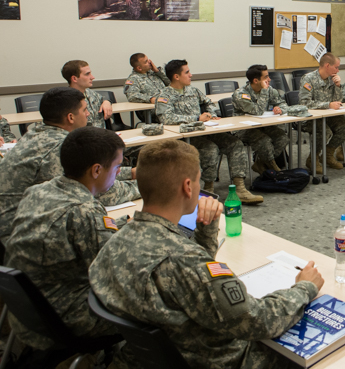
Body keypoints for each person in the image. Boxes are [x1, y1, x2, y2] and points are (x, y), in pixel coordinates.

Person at [89, 139, 324, 369]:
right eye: (200, 180)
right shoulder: (185, 260)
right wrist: (304, 288)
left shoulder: (114, 241)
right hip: (214, 359)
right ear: (188, 187)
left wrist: (207, 228)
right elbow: (259, 321)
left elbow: (187, 275)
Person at [5, 127, 129, 350]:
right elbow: (116, 274)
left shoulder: (39, 191)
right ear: (97, 170)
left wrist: (121, 228)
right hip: (64, 320)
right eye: (117, 166)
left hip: (26, 313)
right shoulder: (84, 210)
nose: (118, 173)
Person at [0, 87, 139, 245]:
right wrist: (147, 185)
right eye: (85, 109)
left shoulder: (37, 135)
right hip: (19, 238)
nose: (88, 114)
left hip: (31, 225)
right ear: (71, 117)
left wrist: (132, 173)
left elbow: (90, 172)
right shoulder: (58, 147)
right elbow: (103, 194)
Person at [155, 59, 262, 204]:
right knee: (210, 148)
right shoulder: (164, 95)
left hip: (206, 130)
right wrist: (196, 117)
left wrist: (211, 113)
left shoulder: (192, 90)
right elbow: (166, 118)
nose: (191, 75)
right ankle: (208, 189)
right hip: (185, 136)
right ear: (176, 76)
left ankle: (240, 189)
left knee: (235, 143)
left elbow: (208, 102)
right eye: (187, 72)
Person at [231, 65, 290, 174]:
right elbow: (257, 111)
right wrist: (263, 92)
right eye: (266, 77)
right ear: (255, 80)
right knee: (265, 141)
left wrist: (280, 109)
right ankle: (272, 165)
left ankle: (261, 162)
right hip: (244, 129)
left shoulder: (270, 90)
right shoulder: (240, 94)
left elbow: (284, 104)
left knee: (282, 137)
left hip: (263, 126)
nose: (269, 79)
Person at [299, 53, 345, 171]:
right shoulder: (308, 79)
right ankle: (313, 158)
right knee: (325, 132)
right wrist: (328, 105)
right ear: (327, 65)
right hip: (312, 117)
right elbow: (304, 103)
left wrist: (337, 86)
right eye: (336, 67)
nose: (338, 70)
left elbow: (339, 100)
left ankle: (327, 155)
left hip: (328, 115)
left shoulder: (332, 79)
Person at [62, 59, 111, 129]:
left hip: (100, 136)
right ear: (74, 78)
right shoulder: (66, 100)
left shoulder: (90, 93)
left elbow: (103, 98)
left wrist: (107, 102)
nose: (92, 77)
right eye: (87, 74)